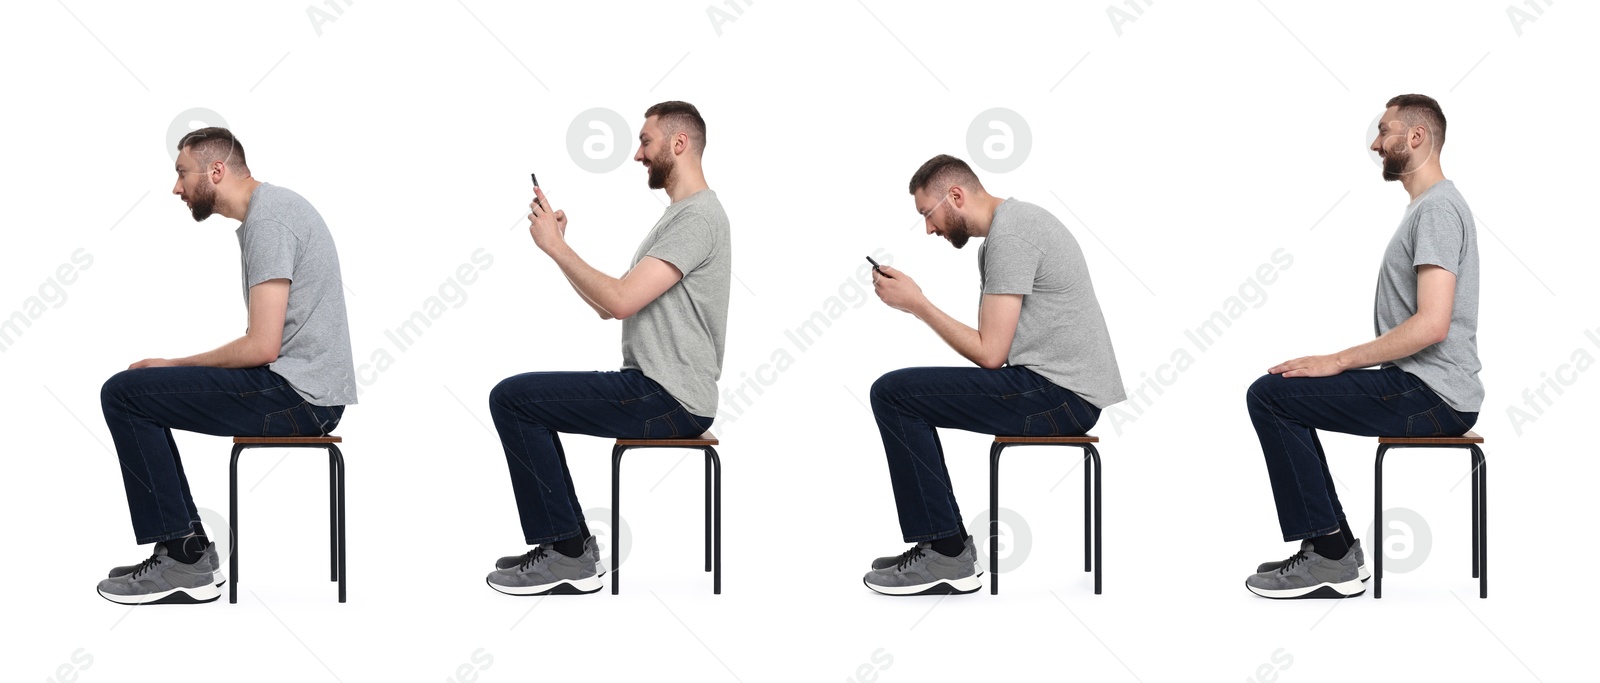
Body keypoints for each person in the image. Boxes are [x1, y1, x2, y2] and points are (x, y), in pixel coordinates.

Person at [98, 127, 357, 605]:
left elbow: (262, 346)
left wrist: (172, 365)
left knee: (124, 393)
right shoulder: (270, 212)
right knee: (135, 392)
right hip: (305, 391)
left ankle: (183, 556)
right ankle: (187, 550)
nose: (176, 187)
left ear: (216, 171)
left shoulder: (270, 221)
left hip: (300, 399)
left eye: (182, 173)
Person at [485, 102, 731, 596]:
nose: (638, 155)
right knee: (519, 399)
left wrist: (557, 247)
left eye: (646, 141)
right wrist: (557, 248)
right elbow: (610, 304)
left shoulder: (697, 218)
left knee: (513, 399)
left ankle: (567, 552)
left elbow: (618, 301)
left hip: (668, 398)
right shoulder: (682, 217)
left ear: (678, 144)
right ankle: (568, 545)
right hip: (660, 391)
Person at [1244, 94, 1481, 599]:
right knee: (1278, 392)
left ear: (1416, 137)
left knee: (1269, 395)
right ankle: (1334, 548)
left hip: (1432, 394)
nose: (1376, 143)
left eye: (1384, 131)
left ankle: (1330, 554)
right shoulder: (1429, 207)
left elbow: (1432, 324)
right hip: (1424, 387)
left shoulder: (1437, 209)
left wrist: (1336, 362)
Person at [863, 155, 1126, 595]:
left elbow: (989, 354)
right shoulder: (1005, 234)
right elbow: (995, 351)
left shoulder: (1012, 235)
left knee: (893, 393)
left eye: (927, 214)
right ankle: (941, 544)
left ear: (956, 196)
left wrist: (918, 304)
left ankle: (946, 553)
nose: (929, 229)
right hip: (1054, 388)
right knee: (897, 392)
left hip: (1061, 395)